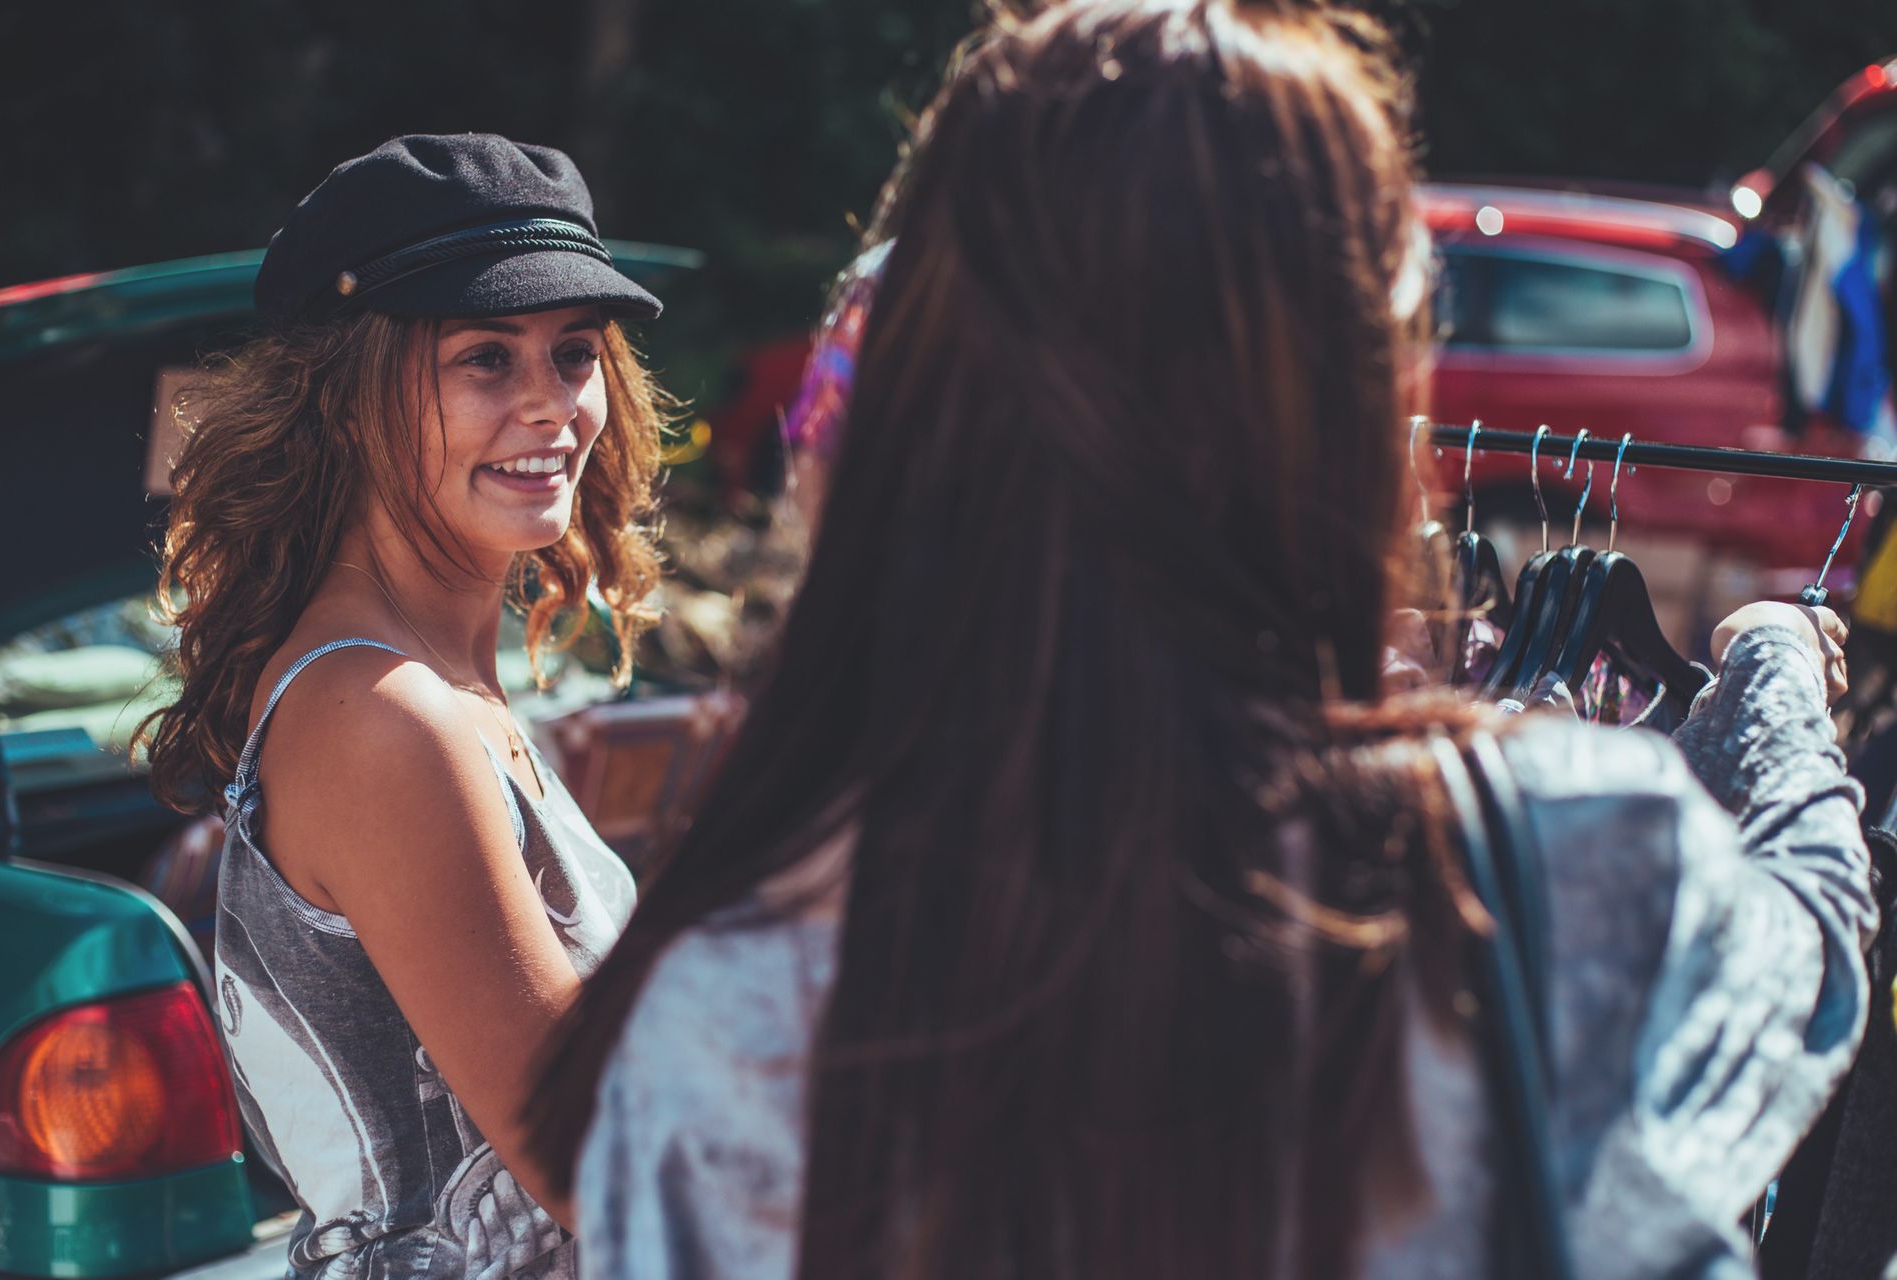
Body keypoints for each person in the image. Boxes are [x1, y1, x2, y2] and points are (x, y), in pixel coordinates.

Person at [533, 3, 1874, 1277]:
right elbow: (1804, 964)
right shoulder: (1555, 865)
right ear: (1351, 399)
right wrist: (1769, 674)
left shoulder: (727, 1008)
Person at [140, 133, 668, 1278]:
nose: (553, 407)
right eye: (486, 358)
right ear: (345, 402)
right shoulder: (385, 716)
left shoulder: (431, 686)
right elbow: (600, 1155)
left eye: (573, 353)